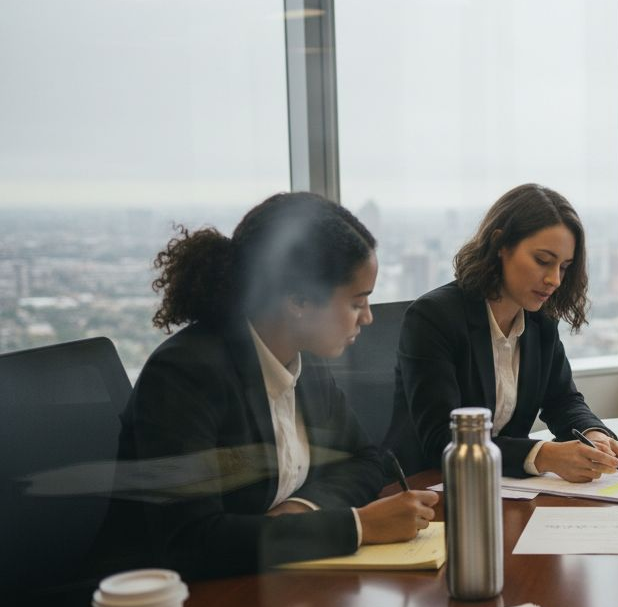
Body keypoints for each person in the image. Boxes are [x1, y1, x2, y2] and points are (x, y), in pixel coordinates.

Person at [118, 192, 438, 579]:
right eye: (357, 303)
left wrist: (301, 510)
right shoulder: (185, 375)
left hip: (268, 580)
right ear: (298, 301)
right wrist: (357, 526)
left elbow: (366, 460)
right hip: (172, 596)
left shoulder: (305, 362)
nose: (367, 318)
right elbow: (192, 542)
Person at [387, 183, 618, 481]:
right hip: (430, 487)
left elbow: (563, 401)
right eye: (543, 261)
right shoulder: (434, 317)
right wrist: (543, 455)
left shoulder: (540, 321)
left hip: (505, 486)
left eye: (564, 267)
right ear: (501, 245)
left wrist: (594, 434)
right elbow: (442, 440)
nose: (555, 280)